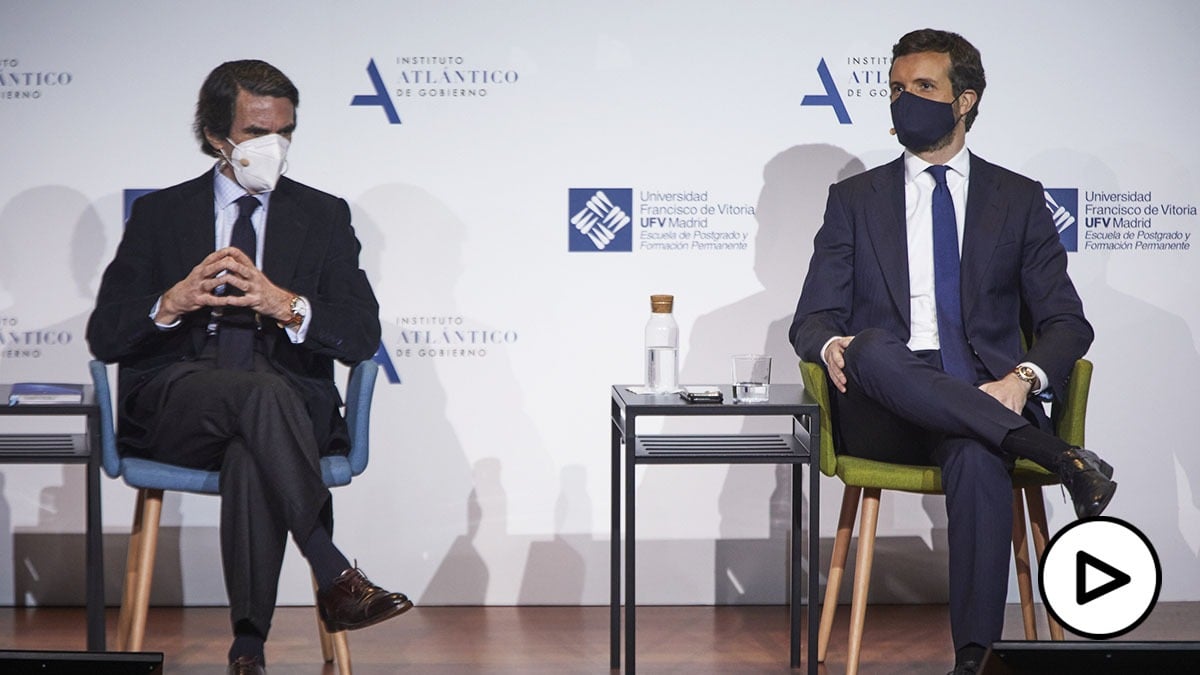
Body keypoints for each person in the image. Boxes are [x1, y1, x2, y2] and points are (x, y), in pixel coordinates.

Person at [789, 29, 1117, 675]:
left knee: (975, 451)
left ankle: (975, 655)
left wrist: (1023, 376)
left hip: (991, 397)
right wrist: (832, 346)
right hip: (887, 405)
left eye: (923, 88)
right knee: (874, 347)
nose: (903, 100)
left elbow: (1066, 322)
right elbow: (813, 318)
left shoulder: (1017, 199)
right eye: (896, 89)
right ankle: (1056, 455)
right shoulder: (855, 200)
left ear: (964, 100)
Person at [87, 60, 409, 675]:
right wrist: (170, 303)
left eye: (285, 133)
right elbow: (106, 334)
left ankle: (247, 651)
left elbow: (362, 333)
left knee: (254, 437)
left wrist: (284, 305)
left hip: (286, 402)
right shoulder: (162, 215)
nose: (275, 148)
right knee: (261, 402)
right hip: (179, 398)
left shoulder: (323, 216)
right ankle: (334, 571)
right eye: (258, 134)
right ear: (217, 136)